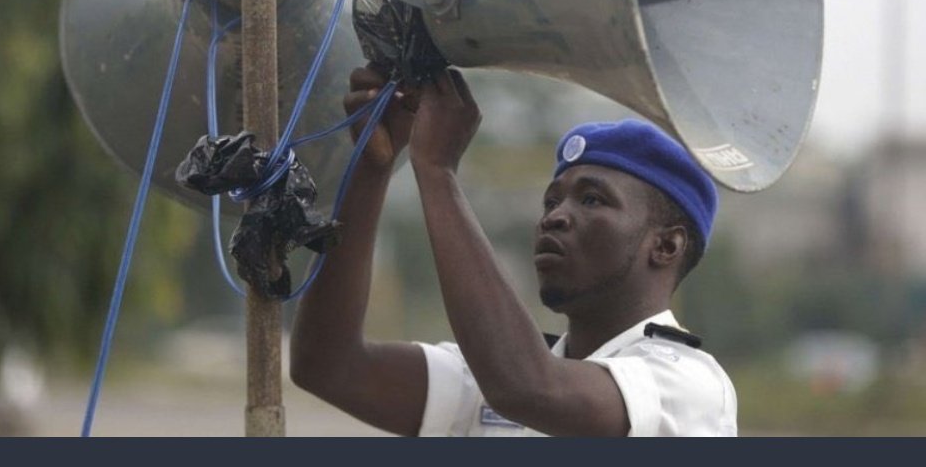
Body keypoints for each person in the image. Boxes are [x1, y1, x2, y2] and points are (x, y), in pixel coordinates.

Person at [290, 65, 737, 437]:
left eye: (592, 199)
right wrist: (372, 166)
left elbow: (528, 389)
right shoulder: (498, 373)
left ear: (666, 245)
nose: (555, 216)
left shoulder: (688, 384)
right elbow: (327, 365)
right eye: (551, 201)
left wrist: (437, 170)